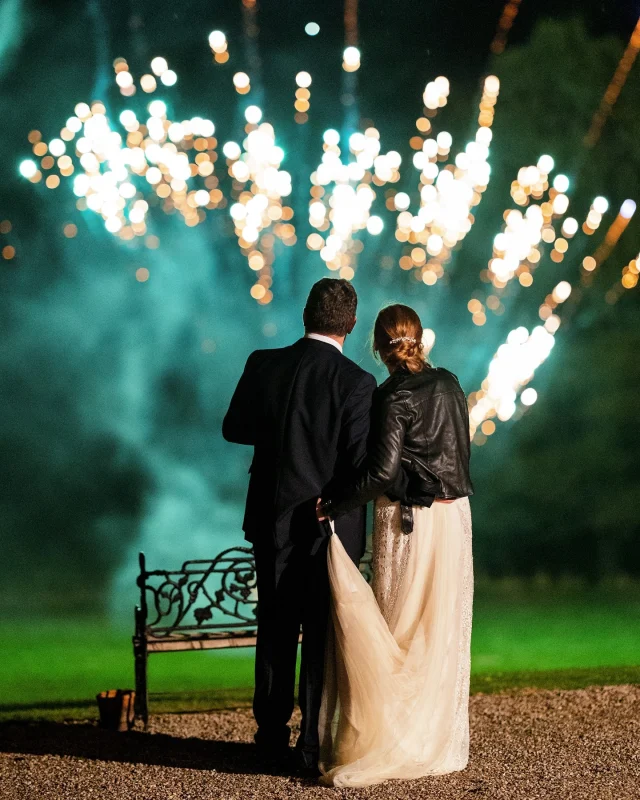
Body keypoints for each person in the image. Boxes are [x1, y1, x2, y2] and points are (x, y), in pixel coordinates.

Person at [222, 278, 376, 776]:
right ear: (350, 325)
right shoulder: (356, 383)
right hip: (327, 528)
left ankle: (269, 736)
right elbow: (358, 462)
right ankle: (312, 744)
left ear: (305, 313)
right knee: (321, 634)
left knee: (275, 627)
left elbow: (233, 428)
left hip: (270, 518)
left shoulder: (263, 363)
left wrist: (281, 428)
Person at [317, 303, 474, 788]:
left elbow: (383, 472)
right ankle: (433, 739)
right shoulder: (449, 383)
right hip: (454, 518)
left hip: (410, 522)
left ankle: (394, 740)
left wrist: (336, 501)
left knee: (399, 623)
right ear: (420, 339)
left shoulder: (392, 394)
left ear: (378, 344)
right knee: (439, 628)